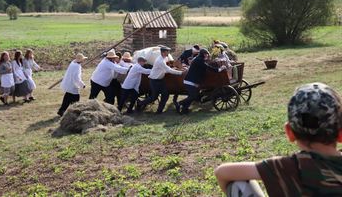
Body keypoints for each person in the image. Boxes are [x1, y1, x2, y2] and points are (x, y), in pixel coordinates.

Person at [214, 82, 342, 197]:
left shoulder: (284, 167)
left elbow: (222, 172)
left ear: (289, 133)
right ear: (340, 134)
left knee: (237, 183)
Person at [174, 49, 227, 114]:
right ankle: (179, 104)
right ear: (203, 54)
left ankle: (184, 109)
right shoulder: (199, 60)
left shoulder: (200, 59)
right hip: (190, 82)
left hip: (193, 81)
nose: (207, 55)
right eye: (206, 54)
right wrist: (219, 69)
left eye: (207, 54)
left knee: (193, 96)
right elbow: (208, 67)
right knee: (193, 96)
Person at [137, 46, 183, 114]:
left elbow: (168, 66)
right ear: (163, 52)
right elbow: (168, 70)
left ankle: (159, 111)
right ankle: (140, 103)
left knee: (165, 94)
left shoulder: (164, 58)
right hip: (154, 80)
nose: (168, 53)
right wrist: (181, 73)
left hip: (160, 80)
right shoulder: (160, 61)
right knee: (154, 97)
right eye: (167, 51)